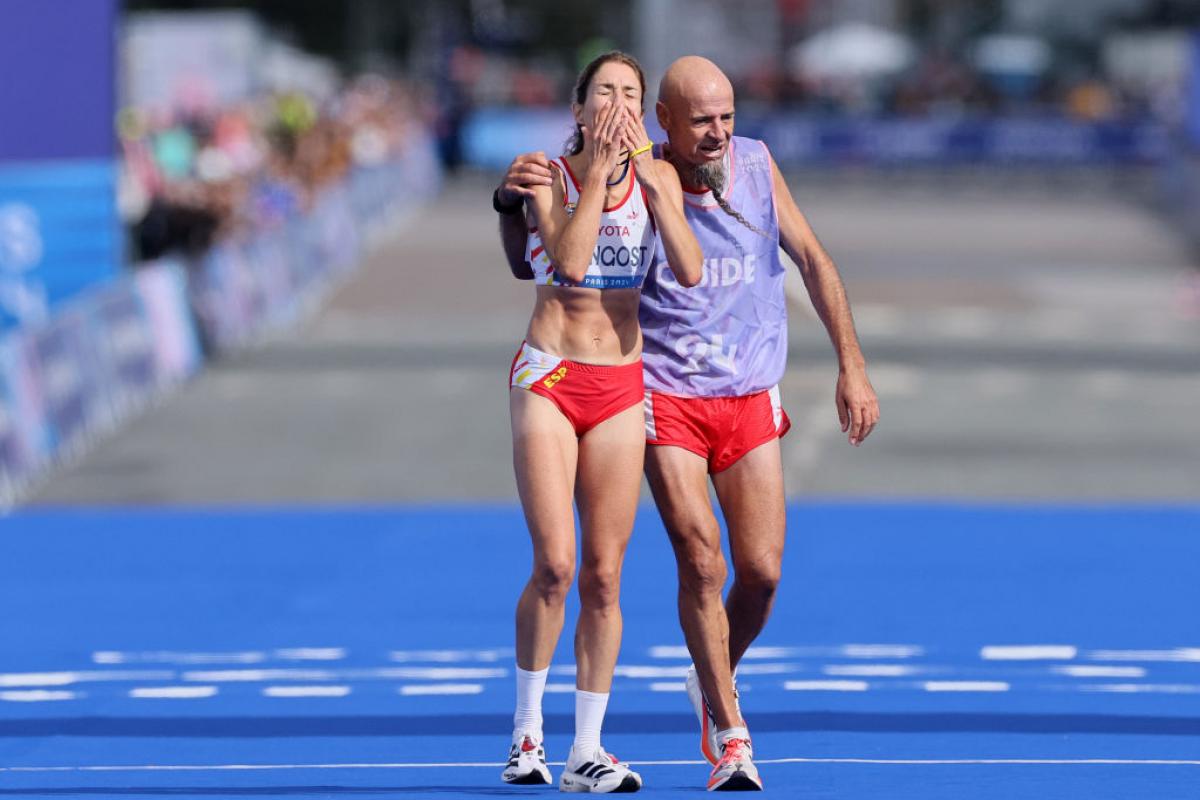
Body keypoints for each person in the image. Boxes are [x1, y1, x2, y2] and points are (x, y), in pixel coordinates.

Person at [495, 56, 879, 792]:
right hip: (619, 386)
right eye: (701, 120)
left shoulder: (720, 169)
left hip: (693, 389)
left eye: (727, 117)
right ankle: (699, 736)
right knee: (623, 563)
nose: (719, 133)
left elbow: (737, 263)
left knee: (730, 575)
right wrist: (555, 184)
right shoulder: (569, 172)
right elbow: (556, 261)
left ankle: (660, 708)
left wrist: (851, 365)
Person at [497, 51, 702, 793]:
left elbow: (688, 269)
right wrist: (600, 170)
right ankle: (526, 734)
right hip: (550, 373)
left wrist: (655, 188)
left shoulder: (658, 176)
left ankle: (588, 748)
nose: (618, 103)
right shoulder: (545, 175)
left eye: (631, 95)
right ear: (579, 108)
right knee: (554, 564)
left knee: (605, 577)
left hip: (620, 381)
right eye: (604, 92)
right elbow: (574, 263)